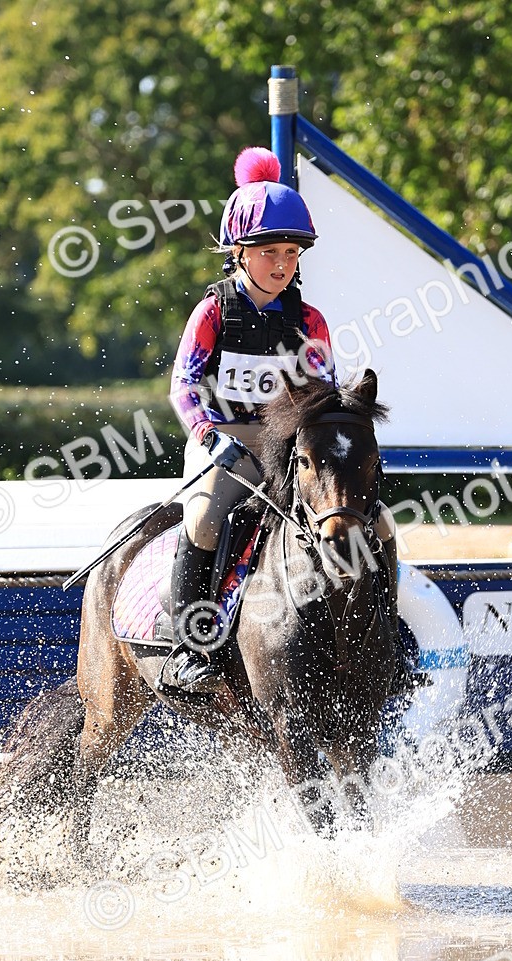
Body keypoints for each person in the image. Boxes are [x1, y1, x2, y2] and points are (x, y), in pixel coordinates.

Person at [168, 146, 406, 691]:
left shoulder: (309, 321)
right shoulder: (213, 312)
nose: (282, 264)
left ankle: (386, 638)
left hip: (289, 449)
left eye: (292, 254)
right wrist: (207, 436)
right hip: (222, 442)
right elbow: (183, 385)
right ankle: (190, 647)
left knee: (381, 524)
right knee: (205, 517)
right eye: (270, 251)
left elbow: (321, 398)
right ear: (240, 253)